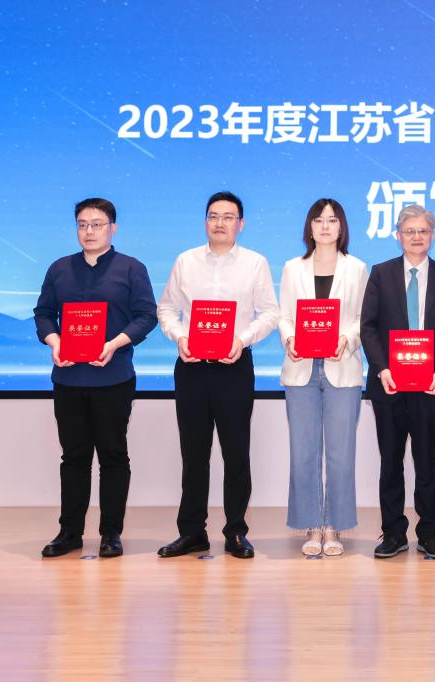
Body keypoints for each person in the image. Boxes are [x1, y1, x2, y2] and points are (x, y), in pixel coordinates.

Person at [156, 191, 279, 559]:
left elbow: (270, 313)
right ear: (205, 221)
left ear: (241, 224)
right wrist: (180, 337)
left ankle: (236, 531)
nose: (220, 223)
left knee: (236, 453)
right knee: (194, 454)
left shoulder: (255, 263)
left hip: (234, 367)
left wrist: (242, 340)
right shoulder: (186, 260)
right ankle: (192, 532)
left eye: (228, 217)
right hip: (192, 367)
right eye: (213, 216)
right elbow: (167, 309)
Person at [34, 197, 157, 558]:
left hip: (113, 379)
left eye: (97, 224)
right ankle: (69, 532)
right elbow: (43, 313)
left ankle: (111, 533)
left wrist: (114, 344)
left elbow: (146, 316)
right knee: (73, 457)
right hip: (69, 379)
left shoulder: (131, 268)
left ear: (112, 228)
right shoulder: (59, 269)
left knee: (113, 456)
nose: (89, 231)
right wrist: (55, 341)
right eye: (82, 224)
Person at [360, 204, 435, 560]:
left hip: (429, 385)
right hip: (389, 385)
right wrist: (382, 369)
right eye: (410, 231)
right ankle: (393, 534)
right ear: (398, 236)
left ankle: (429, 534)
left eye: (422, 231)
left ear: (432, 235)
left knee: (426, 463)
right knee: (390, 463)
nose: (416, 237)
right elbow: (368, 327)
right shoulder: (381, 273)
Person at [279, 199, 368, 556]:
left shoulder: (357, 268)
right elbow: (284, 315)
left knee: (341, 454)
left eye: (332, 220)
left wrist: (347, 338)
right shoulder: (292, 268)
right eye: (319, 220)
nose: (326, 226)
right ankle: (312, 525)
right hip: (301, 367)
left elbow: (363, 317)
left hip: (342, 367)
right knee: (303, 452)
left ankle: (334, 525)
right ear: (310, 227)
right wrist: (289, 339)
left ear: (342, 226)